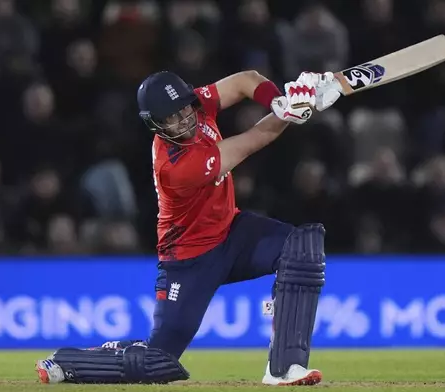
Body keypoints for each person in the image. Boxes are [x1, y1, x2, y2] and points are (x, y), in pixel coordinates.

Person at [35, 70, 342, 386]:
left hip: (232, 232)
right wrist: (293, 110)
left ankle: (285, 367)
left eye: (184, 109)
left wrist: (278, 100)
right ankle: (69, 362)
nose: (184, 120)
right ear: (155, 124)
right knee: (158, 361)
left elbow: (245, 80)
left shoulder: (194, 105)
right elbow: (255, 140)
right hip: (189, 261)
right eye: (171, 118)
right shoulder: (176, 166)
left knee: (301, 247)